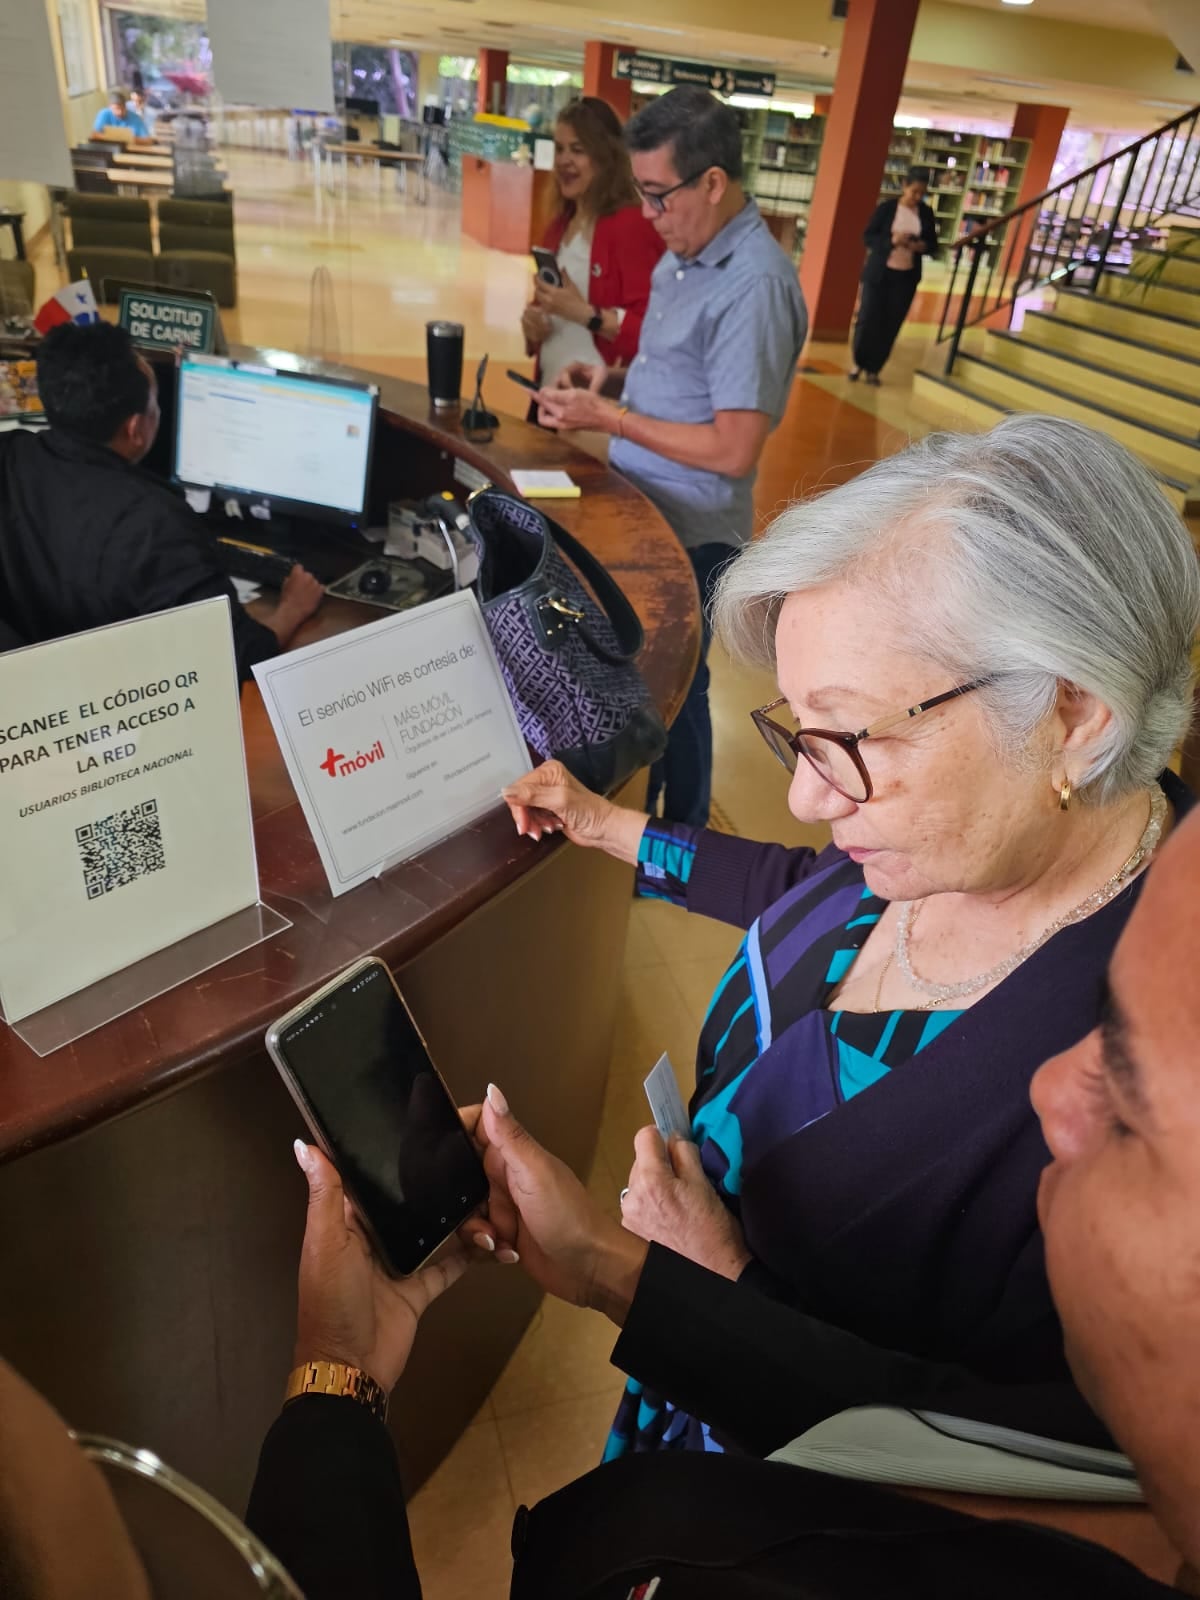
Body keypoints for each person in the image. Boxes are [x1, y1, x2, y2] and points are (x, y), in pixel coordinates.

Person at [11, 785, 1200, 1600]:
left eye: (1135, 1094)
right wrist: (607, 1272)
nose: (1050, 1085)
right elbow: (917, 1428)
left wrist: (333, 1384)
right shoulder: (1099, 1479)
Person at [499, 413, 1199, 1461]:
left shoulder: (1142, 1079)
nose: (803, 794)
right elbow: (810, 892)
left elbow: (1027, 1468)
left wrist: (681, 1279)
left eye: (848, 736)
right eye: (796, 730)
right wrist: (611, 830)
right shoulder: (955, 842)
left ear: (1075, 713)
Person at [535, 86, 808, 830]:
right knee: (647, 678)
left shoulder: (755, 285)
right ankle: (657, 814)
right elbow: (683, 378)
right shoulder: (683, 258)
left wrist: (608, 416)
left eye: (659, 197)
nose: (648, 216)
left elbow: (732, 445)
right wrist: (612, 380)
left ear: (712, 183)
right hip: (645, 502)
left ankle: (680, 837)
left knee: (676, 691)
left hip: (696, 529)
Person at [0, 322, 322, 683]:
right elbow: (238, 657)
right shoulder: (154, 525)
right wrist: (291, 610)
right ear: (136, 428)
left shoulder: (10, 455)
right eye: (155, 403)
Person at [521, 97, 663, 391]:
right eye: (559, 149)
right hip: (551, 395)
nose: (564, 161)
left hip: (599, 407)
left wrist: (585, 314)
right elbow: (550, 307)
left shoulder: (631, 225)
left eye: (577, 150)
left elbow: (653, 331)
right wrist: (534, 326)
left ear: (605, 157)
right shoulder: (560, 225)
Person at [850, 168, 939, 384]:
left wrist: (920, 246)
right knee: (868, 318)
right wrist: (892, 241)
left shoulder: (926, 213)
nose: (917, 197)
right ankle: (858, 362)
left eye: (922, 193)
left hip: (906, 277)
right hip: (879, 273)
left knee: (891, 323)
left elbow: (933, 245)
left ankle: (874, 368)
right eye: (914, 191)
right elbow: (868, 237)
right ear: (904, 186)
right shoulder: (887, 209)